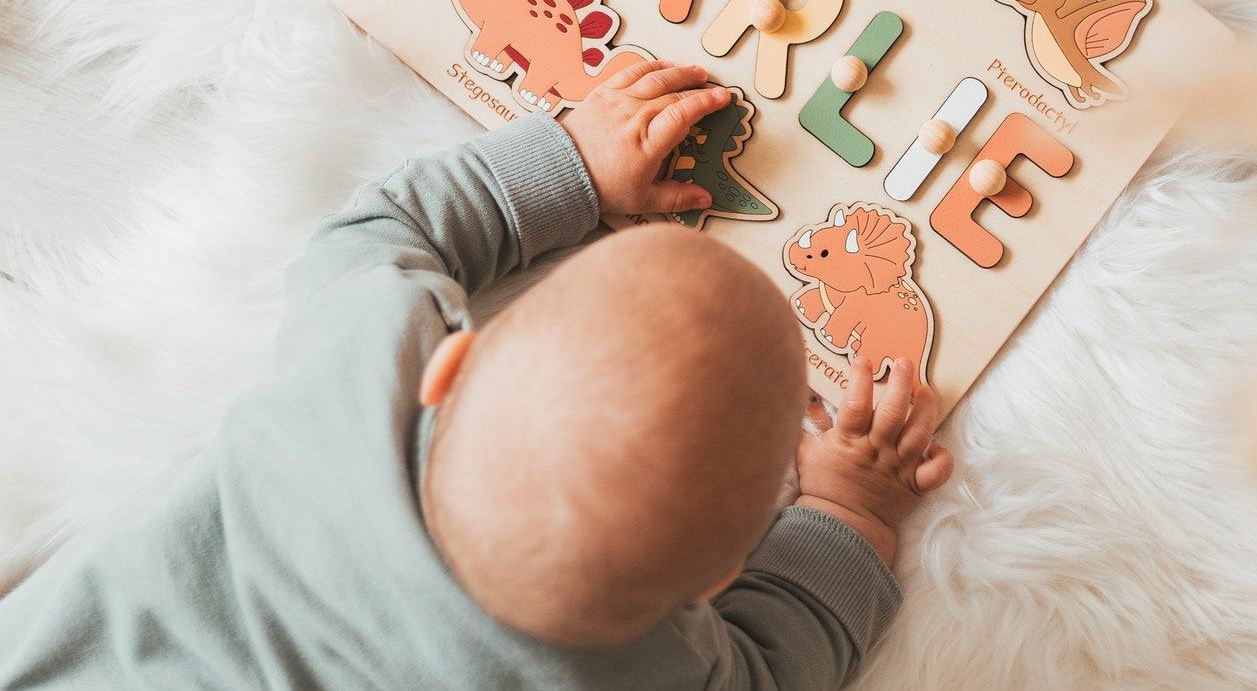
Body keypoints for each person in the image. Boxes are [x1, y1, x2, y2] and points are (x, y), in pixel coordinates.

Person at [0, 60, 954, 688]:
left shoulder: (353, 371)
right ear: (716, 578)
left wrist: (569, 165)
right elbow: (784, 663)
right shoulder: (644, 673)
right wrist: (848, 505)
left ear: (447, 361)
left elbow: (382, 232)